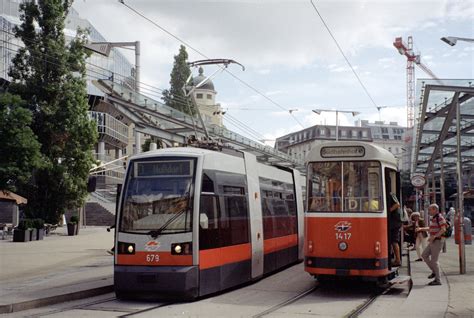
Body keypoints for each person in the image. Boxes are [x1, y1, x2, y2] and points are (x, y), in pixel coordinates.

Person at [419, 203, 447, 286]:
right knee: (424, 255)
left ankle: (438, 280)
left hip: (437, 241)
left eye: (430, 209)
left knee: (434, 261)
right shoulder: (434, 218)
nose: (429, 211)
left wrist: (434, 236)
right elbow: (431, 228)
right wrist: (421, 228)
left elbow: (443, 229)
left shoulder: (440, 218)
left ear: (435, 209)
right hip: (433, 241)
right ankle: (434, 272)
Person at [388, 192, 402, 267]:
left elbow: (397, 204)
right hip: (394, 222)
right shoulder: (390, 194)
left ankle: (398, 260)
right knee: (392, 241)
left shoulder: (391, 194)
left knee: (394, 241)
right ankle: (395, 259)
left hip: (394, 222)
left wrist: (388, 211)